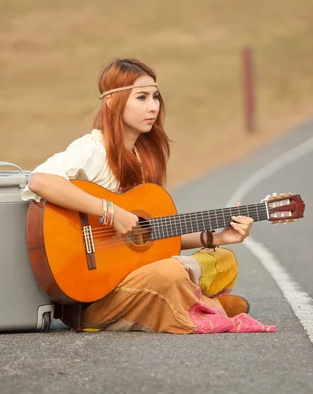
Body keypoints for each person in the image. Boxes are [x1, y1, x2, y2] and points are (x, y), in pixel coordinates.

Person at [21, 58, 275, 334]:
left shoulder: (144, 158)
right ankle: (196, 306)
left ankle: (186, 305)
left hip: (137, 279)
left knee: (223, 259)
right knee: (172, 273)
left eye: (155, 97)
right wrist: (111, 212)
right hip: (94, 297)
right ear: (111, 102)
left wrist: (215, 237)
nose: (153, 106)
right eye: (141, 97)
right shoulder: (93, 150)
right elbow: (40, 180)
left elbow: (154, 239)